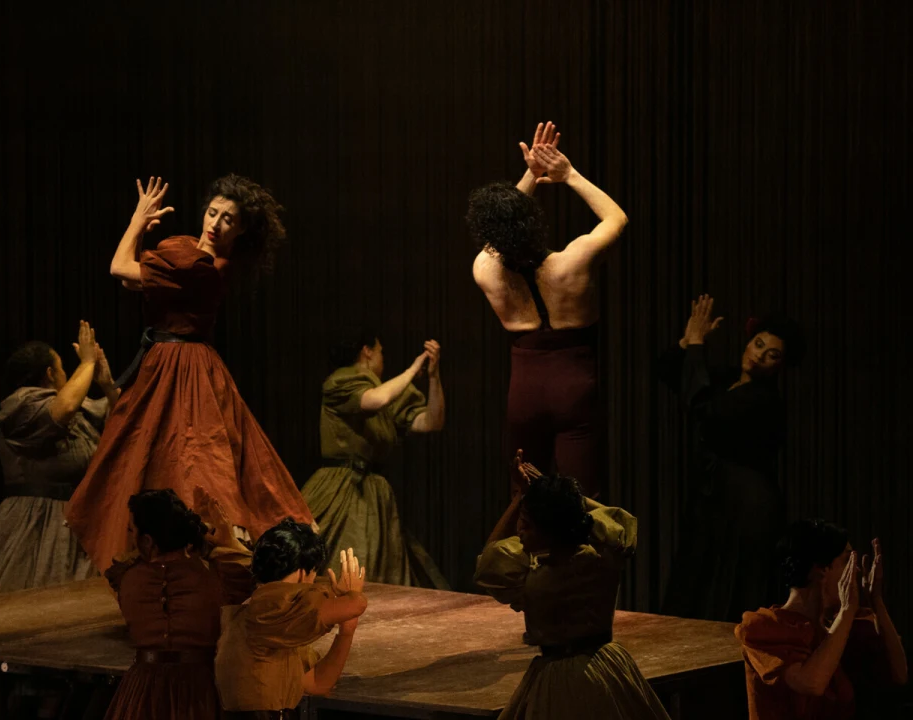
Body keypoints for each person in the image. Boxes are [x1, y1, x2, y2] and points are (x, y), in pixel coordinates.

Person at [67, 175, 312, 573]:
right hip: (162, 366)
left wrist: (137, 220)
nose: (215, 222)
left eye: (229, 219)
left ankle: (202, 565)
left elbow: (118, 268)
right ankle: (159, 563)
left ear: (243, 229)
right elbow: (132, 279)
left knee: (193, 461)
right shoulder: (183, 254)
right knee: (147, 459)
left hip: (186, 371)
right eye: (213, 212)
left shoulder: (204, 268)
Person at [468, 122, 628, 498]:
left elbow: (500, 233)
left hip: (524, 392)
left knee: (524, 494)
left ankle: (523, 555)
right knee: (585, 498)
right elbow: (616, 218)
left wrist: (531, 174)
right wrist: (568, 174)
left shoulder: (485, 271)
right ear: (533, 220)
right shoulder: (572, 263)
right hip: (575, 387)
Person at [473, 453, 670, 720]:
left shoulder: (535, 578)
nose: (519, 530)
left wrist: (523, 495)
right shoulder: (605, 557)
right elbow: (611, 520)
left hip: (559, 681)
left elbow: (489, 562)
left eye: (527, 524)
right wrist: (551, 492)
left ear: (549, 530)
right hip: (606, 667)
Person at [659, 295, 804, 621]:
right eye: (758, 344)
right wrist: (687, 341)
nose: (758, 356)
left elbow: (703, 409)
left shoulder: (764, 401)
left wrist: (697, 346)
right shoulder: (727, 379)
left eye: (771, 355)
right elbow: (669, 373)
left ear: (779, 365)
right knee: (704, 583)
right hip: (720, 497)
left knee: (733, 592)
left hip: (749, 505)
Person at [0, 321, 117, 599]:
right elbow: (64, 407)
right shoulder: (22, 406)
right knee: (24, 598)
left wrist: (107, 384)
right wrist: (87, 363)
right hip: (33, 521)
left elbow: (122, 426)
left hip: (77, 518)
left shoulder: (79, 411)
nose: (67, 374)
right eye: (62, 368)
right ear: (49, 373)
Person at [301, 330, 448, 587]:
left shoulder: (388, 392)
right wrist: (414, 369)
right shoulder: (341, 381)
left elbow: (431, 422)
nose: (383, 358)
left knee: (379, 569)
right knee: (337, 563)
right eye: (380, 351)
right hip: (341, 485)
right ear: (366, 351)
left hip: (374, 491)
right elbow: (375, 400)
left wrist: (434, 377)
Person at [103, 487, 254, 720]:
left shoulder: (126, 576)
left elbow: (126, 560)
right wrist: (225, 539)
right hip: (200, 691)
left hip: (143, 690)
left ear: (146, 539)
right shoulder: (220, 576)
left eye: (132, 531)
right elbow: (251, 573)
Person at [736, 520, 908, 719]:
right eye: (846, 561)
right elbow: (810, 683)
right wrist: (846, 611)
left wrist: (876, 601)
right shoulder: (763, 626)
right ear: (820, 569)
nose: (856, 571)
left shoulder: (838, 627)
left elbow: (900, 674)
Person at [215, 520, 368, 718]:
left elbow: (316, 683)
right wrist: (351, 595)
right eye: (314, 573)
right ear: (303, 572)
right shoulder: (270, 607)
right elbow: (357, 604)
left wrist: (347, 631)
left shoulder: (281, 621)